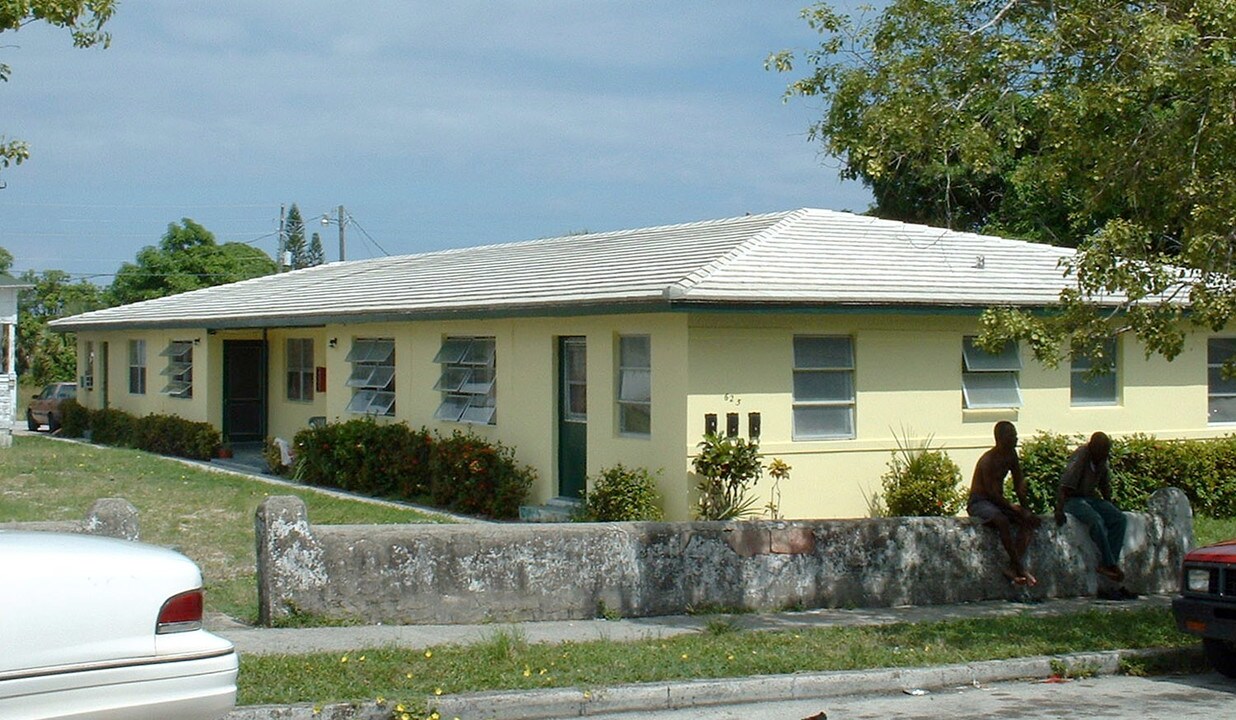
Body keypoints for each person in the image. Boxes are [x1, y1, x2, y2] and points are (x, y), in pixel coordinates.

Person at [1055, 431, 1135, 599]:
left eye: (1106, 452)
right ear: (1092, 448)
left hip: (1090, 498)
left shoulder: (1102, 459)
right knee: (1096, 521)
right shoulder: (1081, 457)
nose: (1104, 455)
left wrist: (1109, 504)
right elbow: (1064, 485)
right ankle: (1110, 563)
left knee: (1119, 519)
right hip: (1073, 500)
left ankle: (1109, 561)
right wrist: (1059, 509)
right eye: (1101, 451)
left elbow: (1105, 485)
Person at [968, 421, 1041, 586]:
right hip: (980, 501)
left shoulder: (1011, 455)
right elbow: (991, 493)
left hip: (997, 502)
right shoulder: (988, 460)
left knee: (1029, 522)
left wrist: (1025, 509)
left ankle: (1011, 567)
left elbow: (1018, 483)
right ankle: (1020, 568)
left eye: (1015, 435)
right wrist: (1013, 508)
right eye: (1011, 436)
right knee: (1002, 520)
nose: (1016, 439)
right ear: (999, 439)